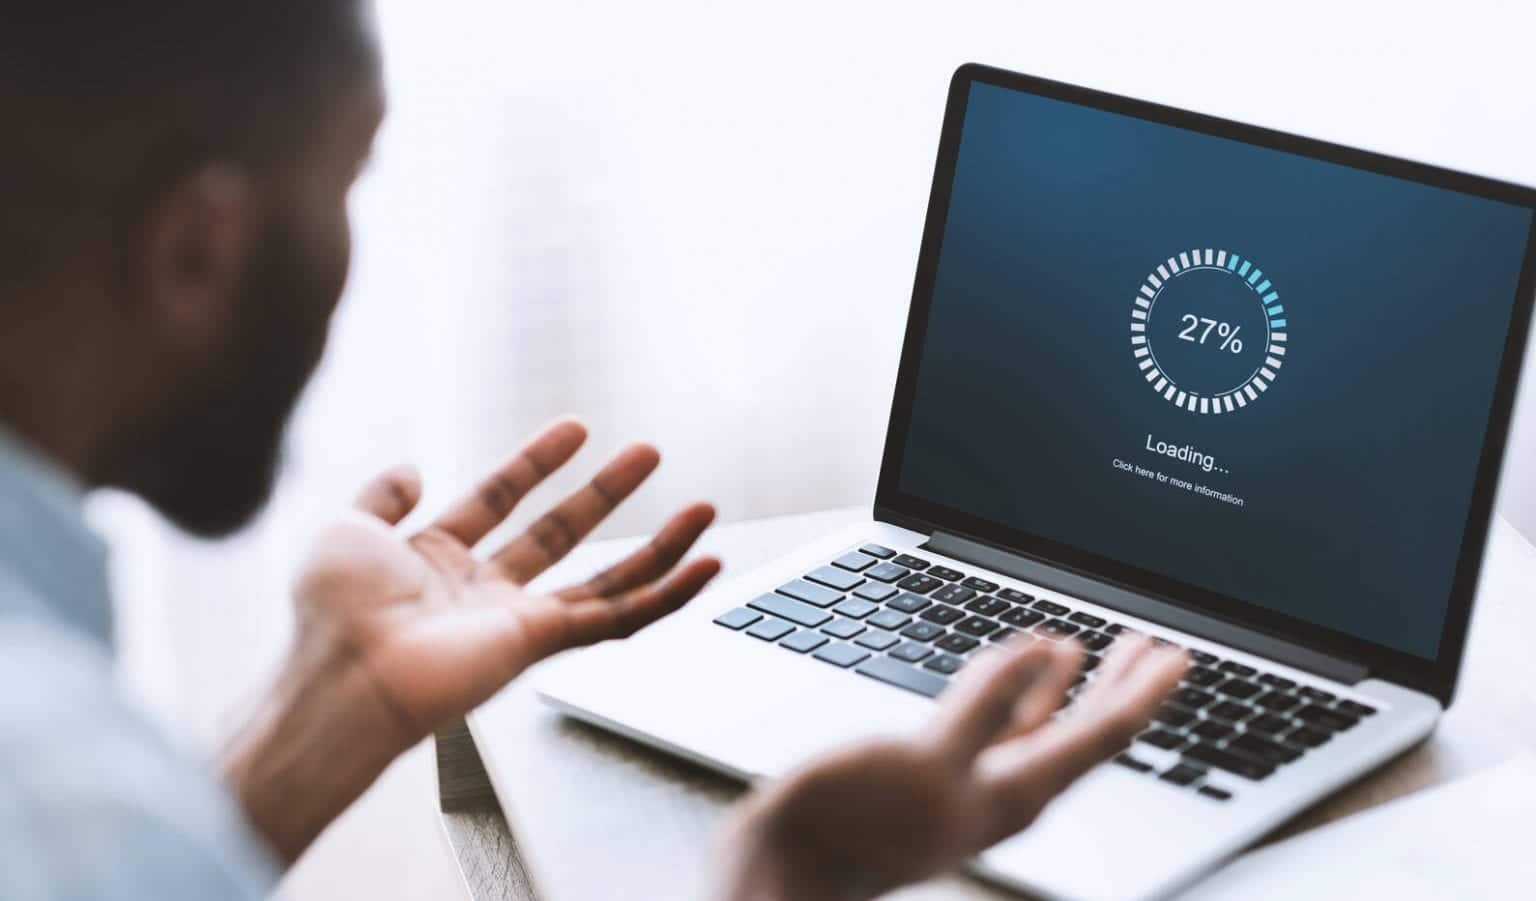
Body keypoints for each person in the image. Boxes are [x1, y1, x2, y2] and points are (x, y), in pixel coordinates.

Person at [0, 2, 1187, 898]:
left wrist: (316, 723)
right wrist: (783, 872)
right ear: (196, 249)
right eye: (348, 183)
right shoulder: (70, 799)